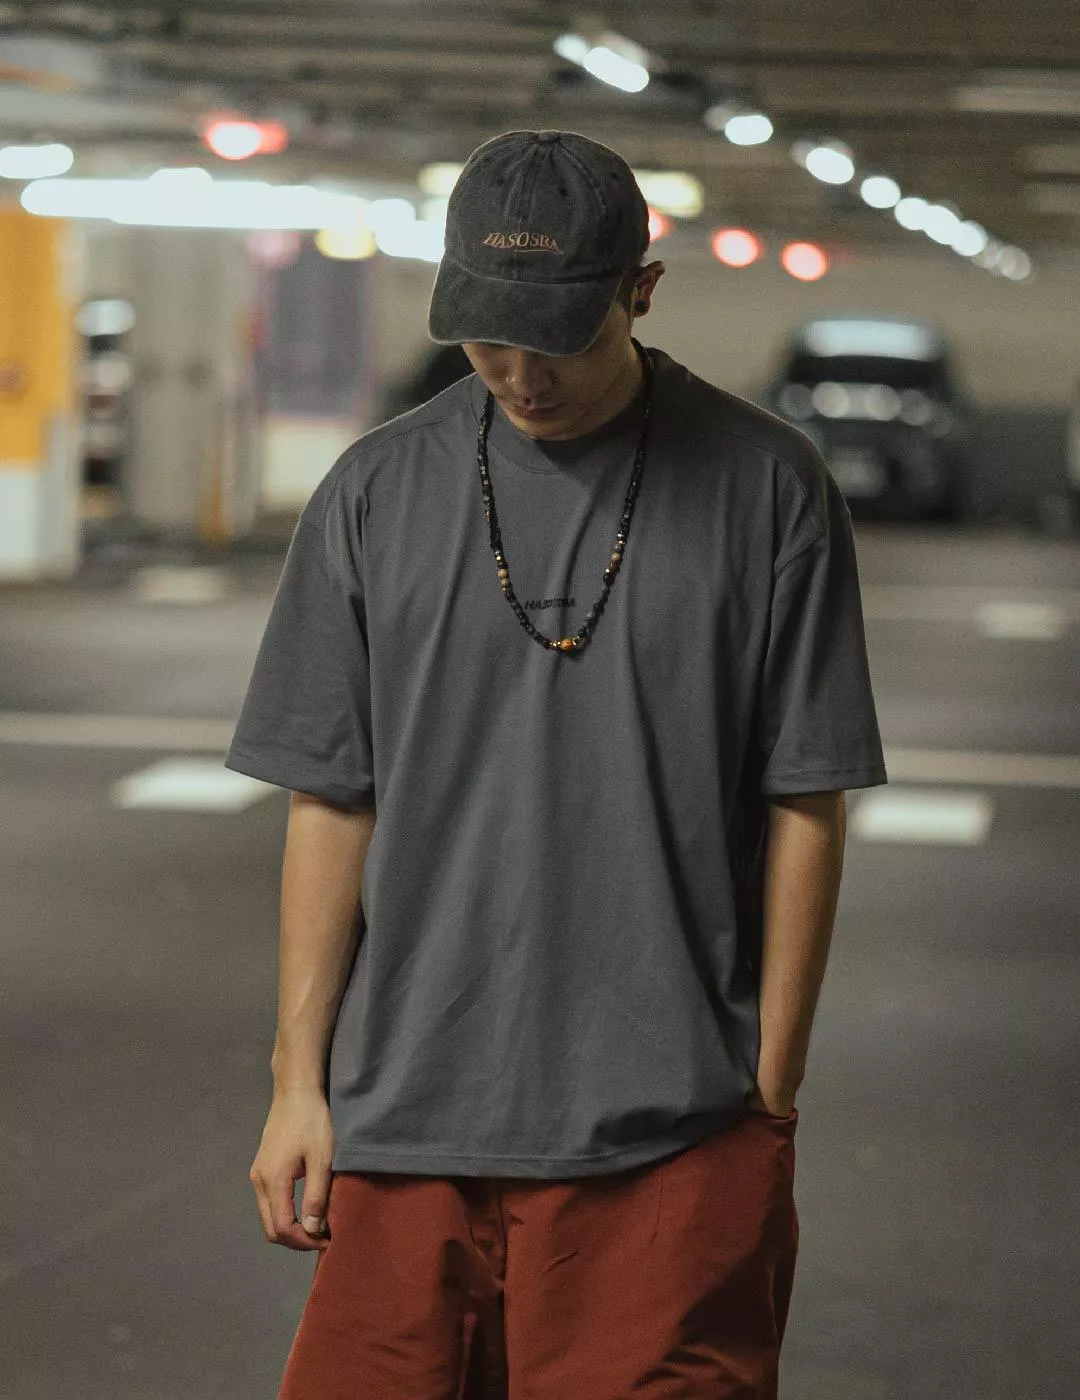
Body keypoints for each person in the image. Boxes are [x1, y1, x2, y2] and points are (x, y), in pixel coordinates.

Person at [225, 129, 888, 1399]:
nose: (521, 375)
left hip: (671, 1129)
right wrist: (296, 1082)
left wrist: (772, 1086)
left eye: (558, 338)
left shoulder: (769, 488)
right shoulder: (373, 491)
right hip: (406, 1115)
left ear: (642, 291)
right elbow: (333, 798)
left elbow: (805, 794)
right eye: (488, 337)